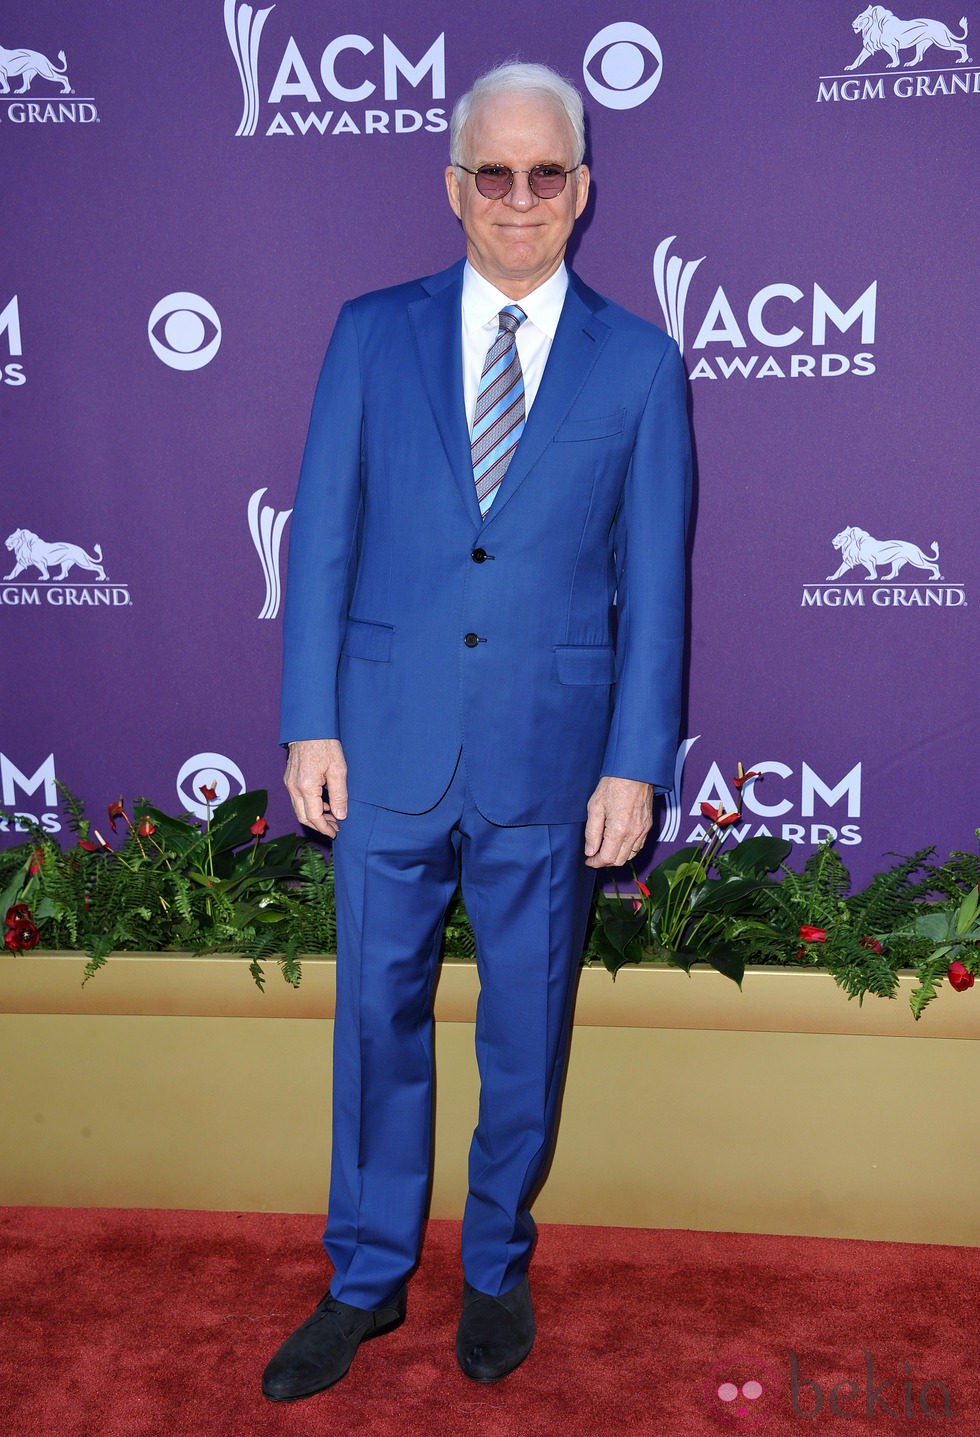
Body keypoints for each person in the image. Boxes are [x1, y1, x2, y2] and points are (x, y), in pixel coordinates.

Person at [263, 60, 691, 1402]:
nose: (520, 197)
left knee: (527, 1028)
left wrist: (635, 757)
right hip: (382, 742)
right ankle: (367, 1273)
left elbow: (658, 580)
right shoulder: (369, 332)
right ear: (454, 188)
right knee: (376, 1021)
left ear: (582, 192)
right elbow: (321, 537)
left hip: (551, 758)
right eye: (493, 173)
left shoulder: (641, 362)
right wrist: (308, 721)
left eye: (545, 173)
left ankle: (495, 1263)